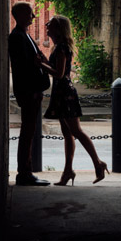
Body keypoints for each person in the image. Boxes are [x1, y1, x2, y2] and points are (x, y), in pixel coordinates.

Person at [38, 15, 109, 185]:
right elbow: (56, 68)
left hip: (65, 93)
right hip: (61, 93)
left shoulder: (61, 48)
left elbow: (59, 73)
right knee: (68, 134)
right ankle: (68, 171)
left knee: (76, 131)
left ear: (58, 29)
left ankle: (98, 163)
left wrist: (41, 65)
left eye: (51, 25)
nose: (47, 27)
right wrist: (44, 60)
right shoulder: (58, 47)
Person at [8, 1, 50, 186]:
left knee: (29, 132)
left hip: (32, 91)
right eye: (31, 13)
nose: (34, 17)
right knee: (27, 132)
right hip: (28, 93)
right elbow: (22, 68)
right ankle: (24, 173)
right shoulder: (17, 37)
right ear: (22, 15)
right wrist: (32, 91)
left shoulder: (24, 35)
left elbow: (35, 60)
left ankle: (26, 171)